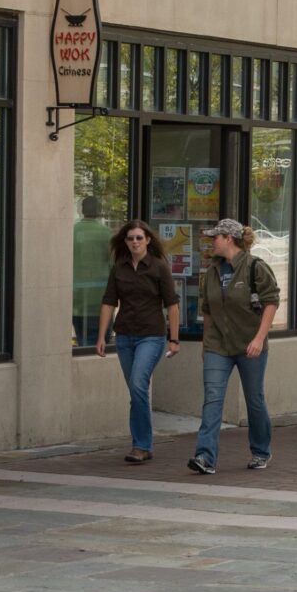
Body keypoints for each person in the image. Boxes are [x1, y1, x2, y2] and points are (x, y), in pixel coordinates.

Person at [190, 217, 281, 475]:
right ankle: (205, 457)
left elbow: (271, 302)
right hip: (218, 346)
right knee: (212, 398)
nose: (211, 243)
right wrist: (206, 345)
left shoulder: (255, 267)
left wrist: (259, 338)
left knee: (254, 400)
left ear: (229, 239)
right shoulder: (212, 271)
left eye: (215, 238)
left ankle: (261, 450)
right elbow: (207, 310)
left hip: (250, 344)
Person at [94, 219, 180, 463]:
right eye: (130, 238)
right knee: (135, 390)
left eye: (139, 238)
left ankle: (140, 445)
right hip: (124, 337)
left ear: (148, 240)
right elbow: (109, 301)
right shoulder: (119, 268)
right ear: (125, 242)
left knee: (139, 385)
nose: (135, 242)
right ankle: (145, 443)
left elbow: (172, 305)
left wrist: (174, 339)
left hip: (151, 336)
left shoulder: (159, 267)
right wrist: (102, 336)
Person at [72, 196, 113, 347]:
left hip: (76, 299)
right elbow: (114, 265)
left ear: (81, 210)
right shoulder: (107, 233)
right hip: (101, 298)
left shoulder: (71, 232)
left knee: (83, 340)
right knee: (100, 344)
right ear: (100, 211)